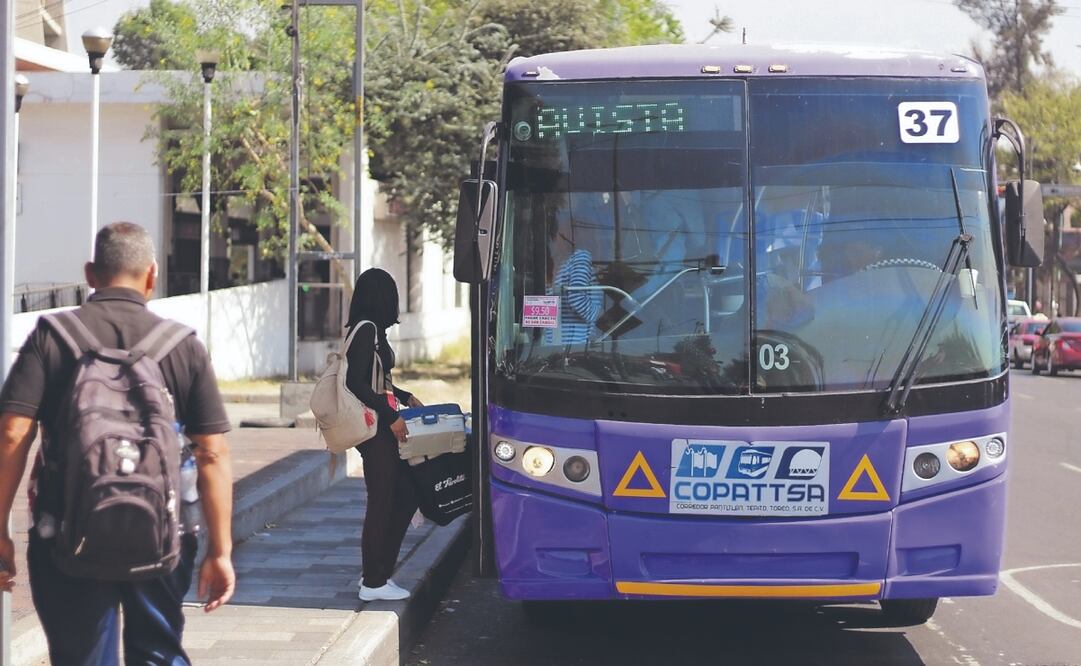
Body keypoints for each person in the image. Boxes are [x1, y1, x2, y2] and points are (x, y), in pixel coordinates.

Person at [0, 222, 235, 665]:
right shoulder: (182, 347)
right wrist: (220, 551)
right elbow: (213, 452)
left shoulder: (52, 336)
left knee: (81, 656)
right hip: (165, 530)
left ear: (91, 274)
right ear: (151, 276)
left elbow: (12, 432)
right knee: (158, 653)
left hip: (64, 529)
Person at [344, 268, 423, 602]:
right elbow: (355, 383)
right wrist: (392, 416)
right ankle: (373, 582)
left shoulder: (372, 331)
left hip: (380, 422)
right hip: (375, 428)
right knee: (382, 501)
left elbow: (374, 379)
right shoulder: (367, 331)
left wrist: (403, 397)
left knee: (402, 494)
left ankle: (378, 575)